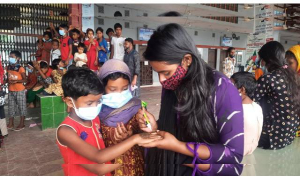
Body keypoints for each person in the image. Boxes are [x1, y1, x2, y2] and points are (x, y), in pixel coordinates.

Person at [135, 23, 244, 176]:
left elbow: (233, 156)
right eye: (158, 73)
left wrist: (179, 147)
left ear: (187, 60)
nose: (161, 80)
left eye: (166, 72)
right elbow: (178, 128)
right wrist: (155, 127)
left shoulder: (222, 89)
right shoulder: (173, 84)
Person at [57, 68, 162, 176]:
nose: (96, 106)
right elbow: (99, 160)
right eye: (89, 103)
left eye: (98, 101)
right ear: (69, 102)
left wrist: (128, 136)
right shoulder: (66, 131)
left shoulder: (94, 119)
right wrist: (134, 140)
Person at [98, 59, 145, 176]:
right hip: (108, 164)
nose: (119, 94)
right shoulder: (95, 108)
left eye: (124, 89)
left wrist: (131, 135)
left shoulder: (137, 105)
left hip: (133, 163)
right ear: (103, 87)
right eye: (113, 89)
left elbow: (146, 133)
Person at [253, 41, 300, 150]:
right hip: (289, 134)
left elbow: (251, 102)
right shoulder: (294, 77)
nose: (262, 64)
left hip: (270, 136)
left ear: (268, 60)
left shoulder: (268, 78)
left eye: (263, 60)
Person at [231, 72, 263, 155]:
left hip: (237, 152)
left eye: (230, 86)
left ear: (242, 90)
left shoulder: (236, 111)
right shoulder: (257, 107)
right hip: (251, 149)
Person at [6, 51, 27, 131]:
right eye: (9, 57)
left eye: (12, 57)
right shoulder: (8, 67)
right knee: (11, 107)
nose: (10, 58)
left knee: (21, 107)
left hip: (19, 90)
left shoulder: (20, 68)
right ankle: (11, 123)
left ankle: (22, 123)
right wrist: (8, 81)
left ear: (18, 58)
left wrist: (16, 81)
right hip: (11, 90)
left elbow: (25, 79)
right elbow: (8, 78)